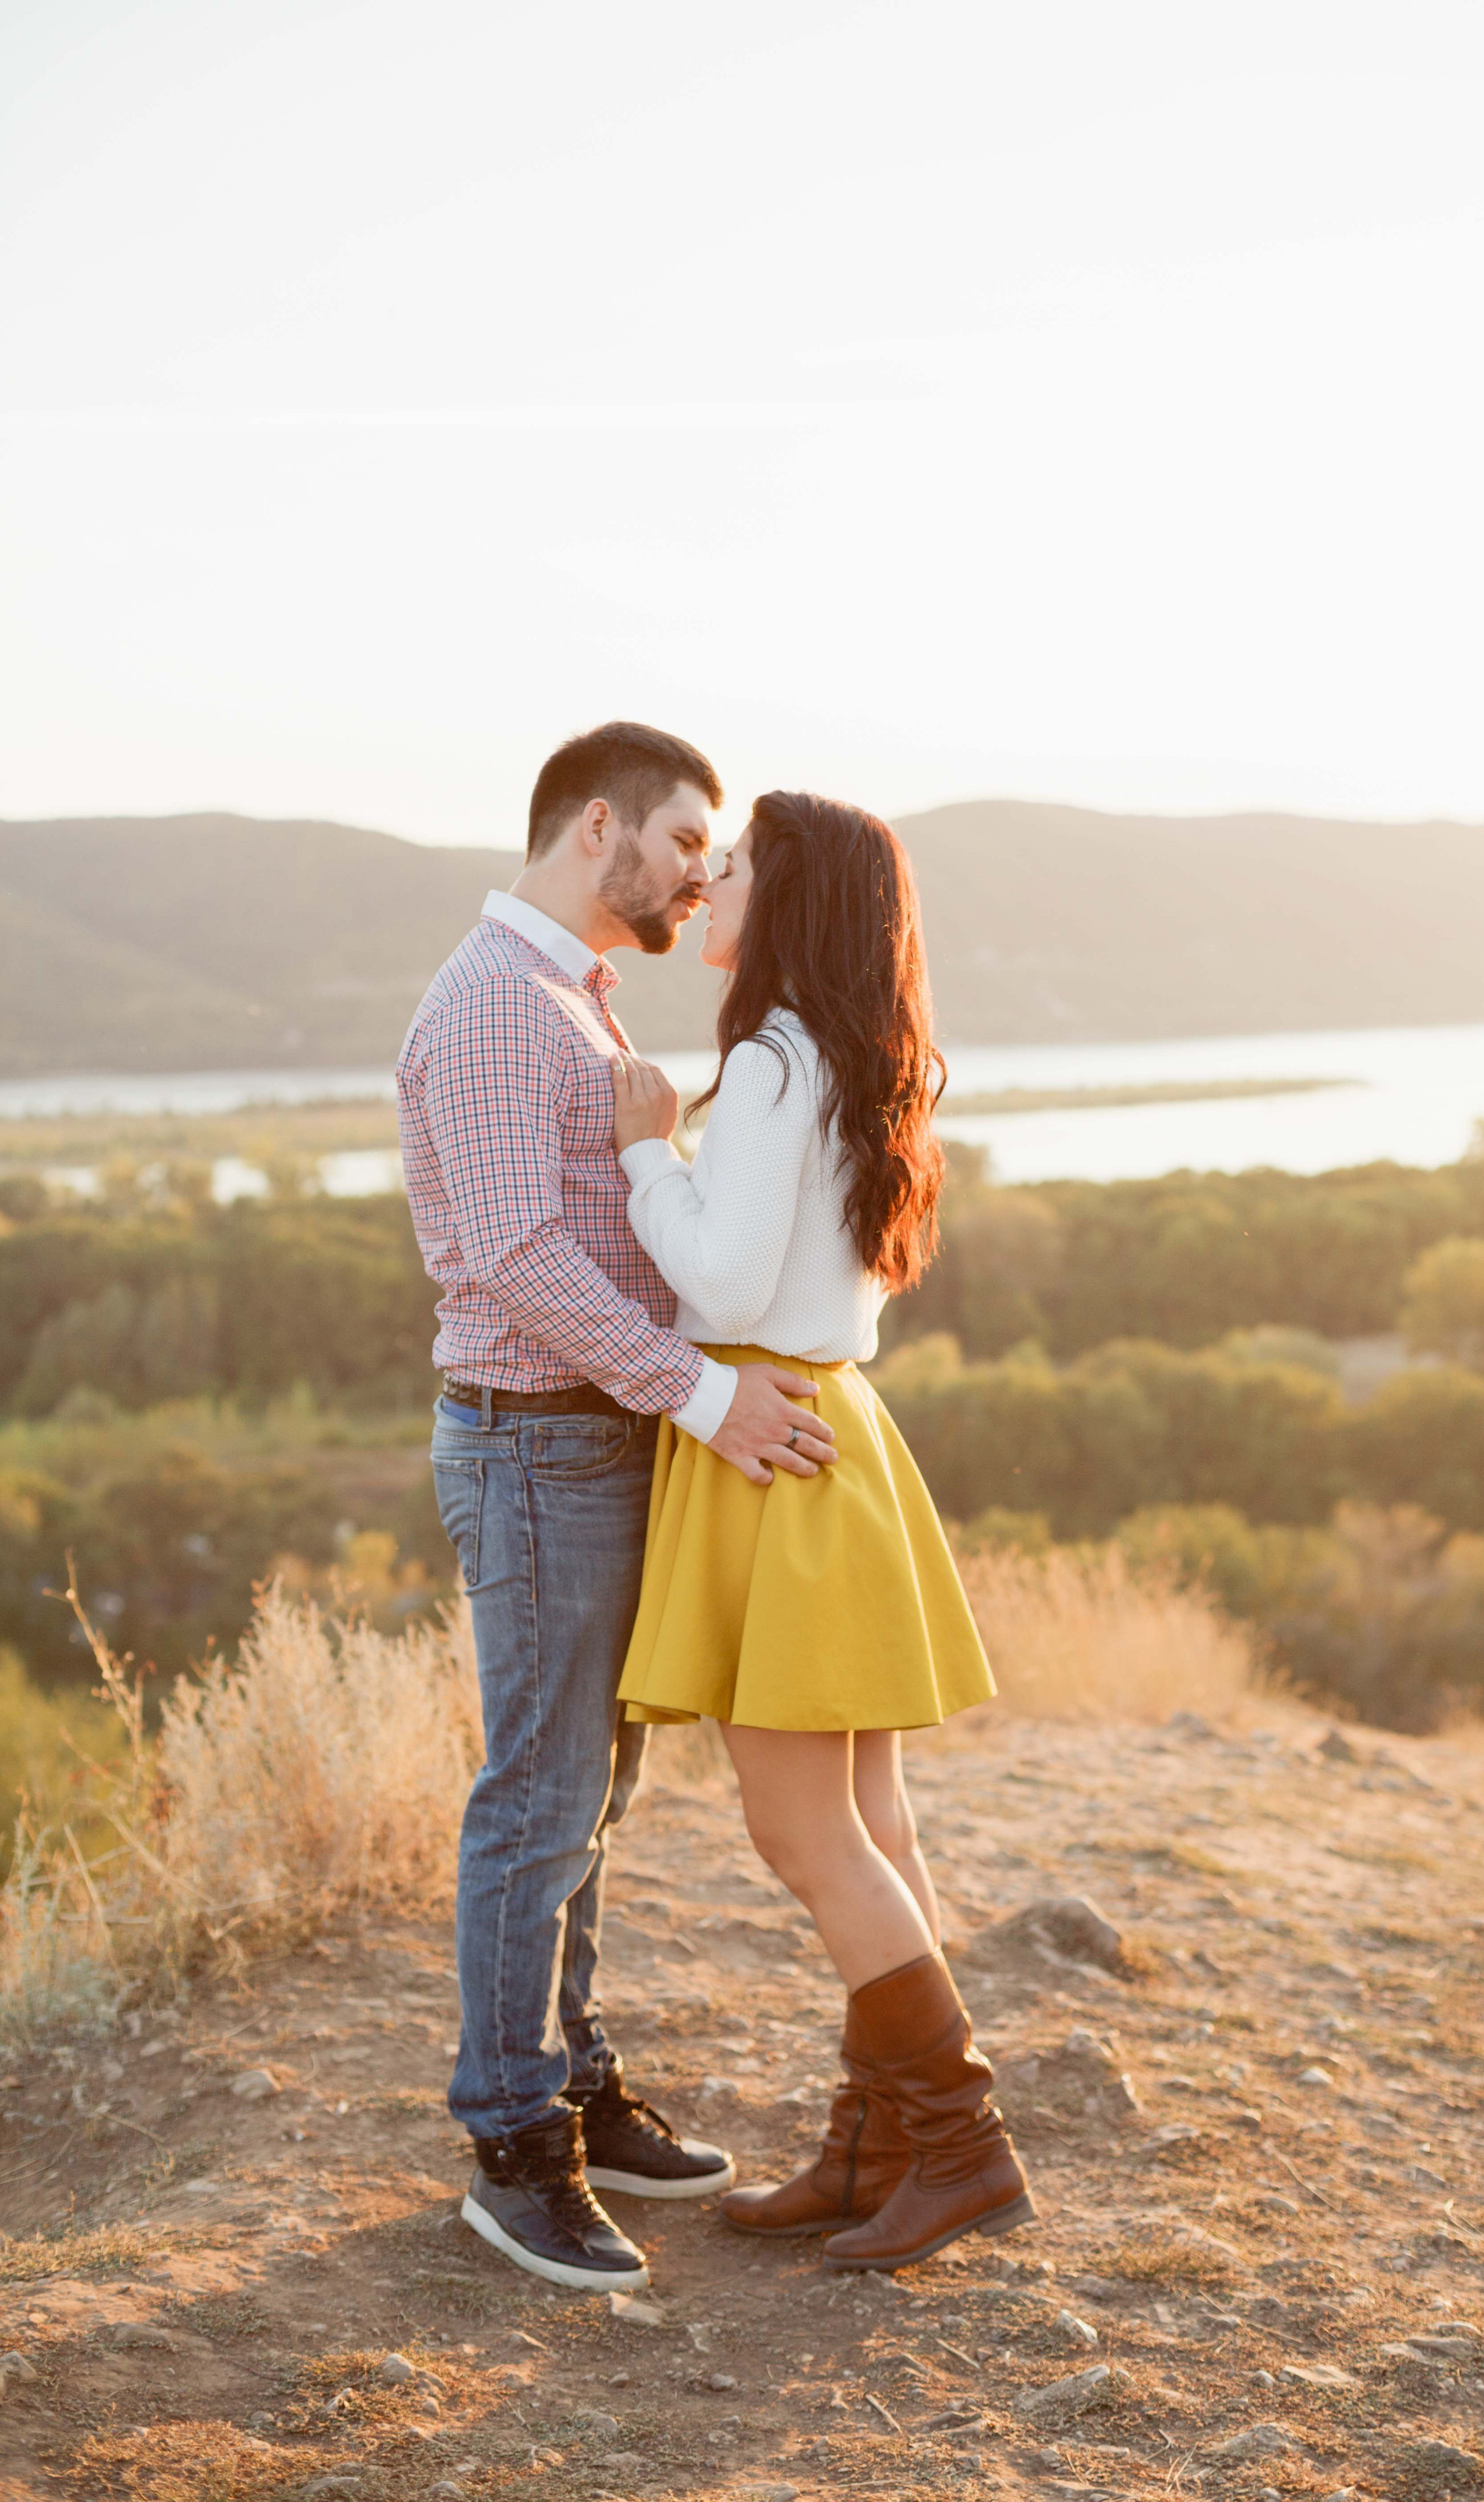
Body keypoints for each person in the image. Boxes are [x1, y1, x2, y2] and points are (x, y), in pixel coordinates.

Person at [396, 723, 839, 2295]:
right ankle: (514, 2147)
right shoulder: (495, 1008)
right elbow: (520, 1257)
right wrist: (703, 1396)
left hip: (595, 1442)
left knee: (589, 1794)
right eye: (686, 842)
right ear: (599, 829)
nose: (701, 876)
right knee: (539, 1798)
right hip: (536, 1447)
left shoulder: (570, 999)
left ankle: (569, 2076)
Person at [608, 790, 1033, 2271]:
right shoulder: (853, 1052)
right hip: (830, 1431)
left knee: (802, 1830)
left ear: (782, 900)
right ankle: (880, 2147)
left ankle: (962, 2146)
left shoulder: (773, 1059)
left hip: (769, 1440)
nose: (705, 887)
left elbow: (722, 1288)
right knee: (872, 1821)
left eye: (728, 868)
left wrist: (647, 1152)